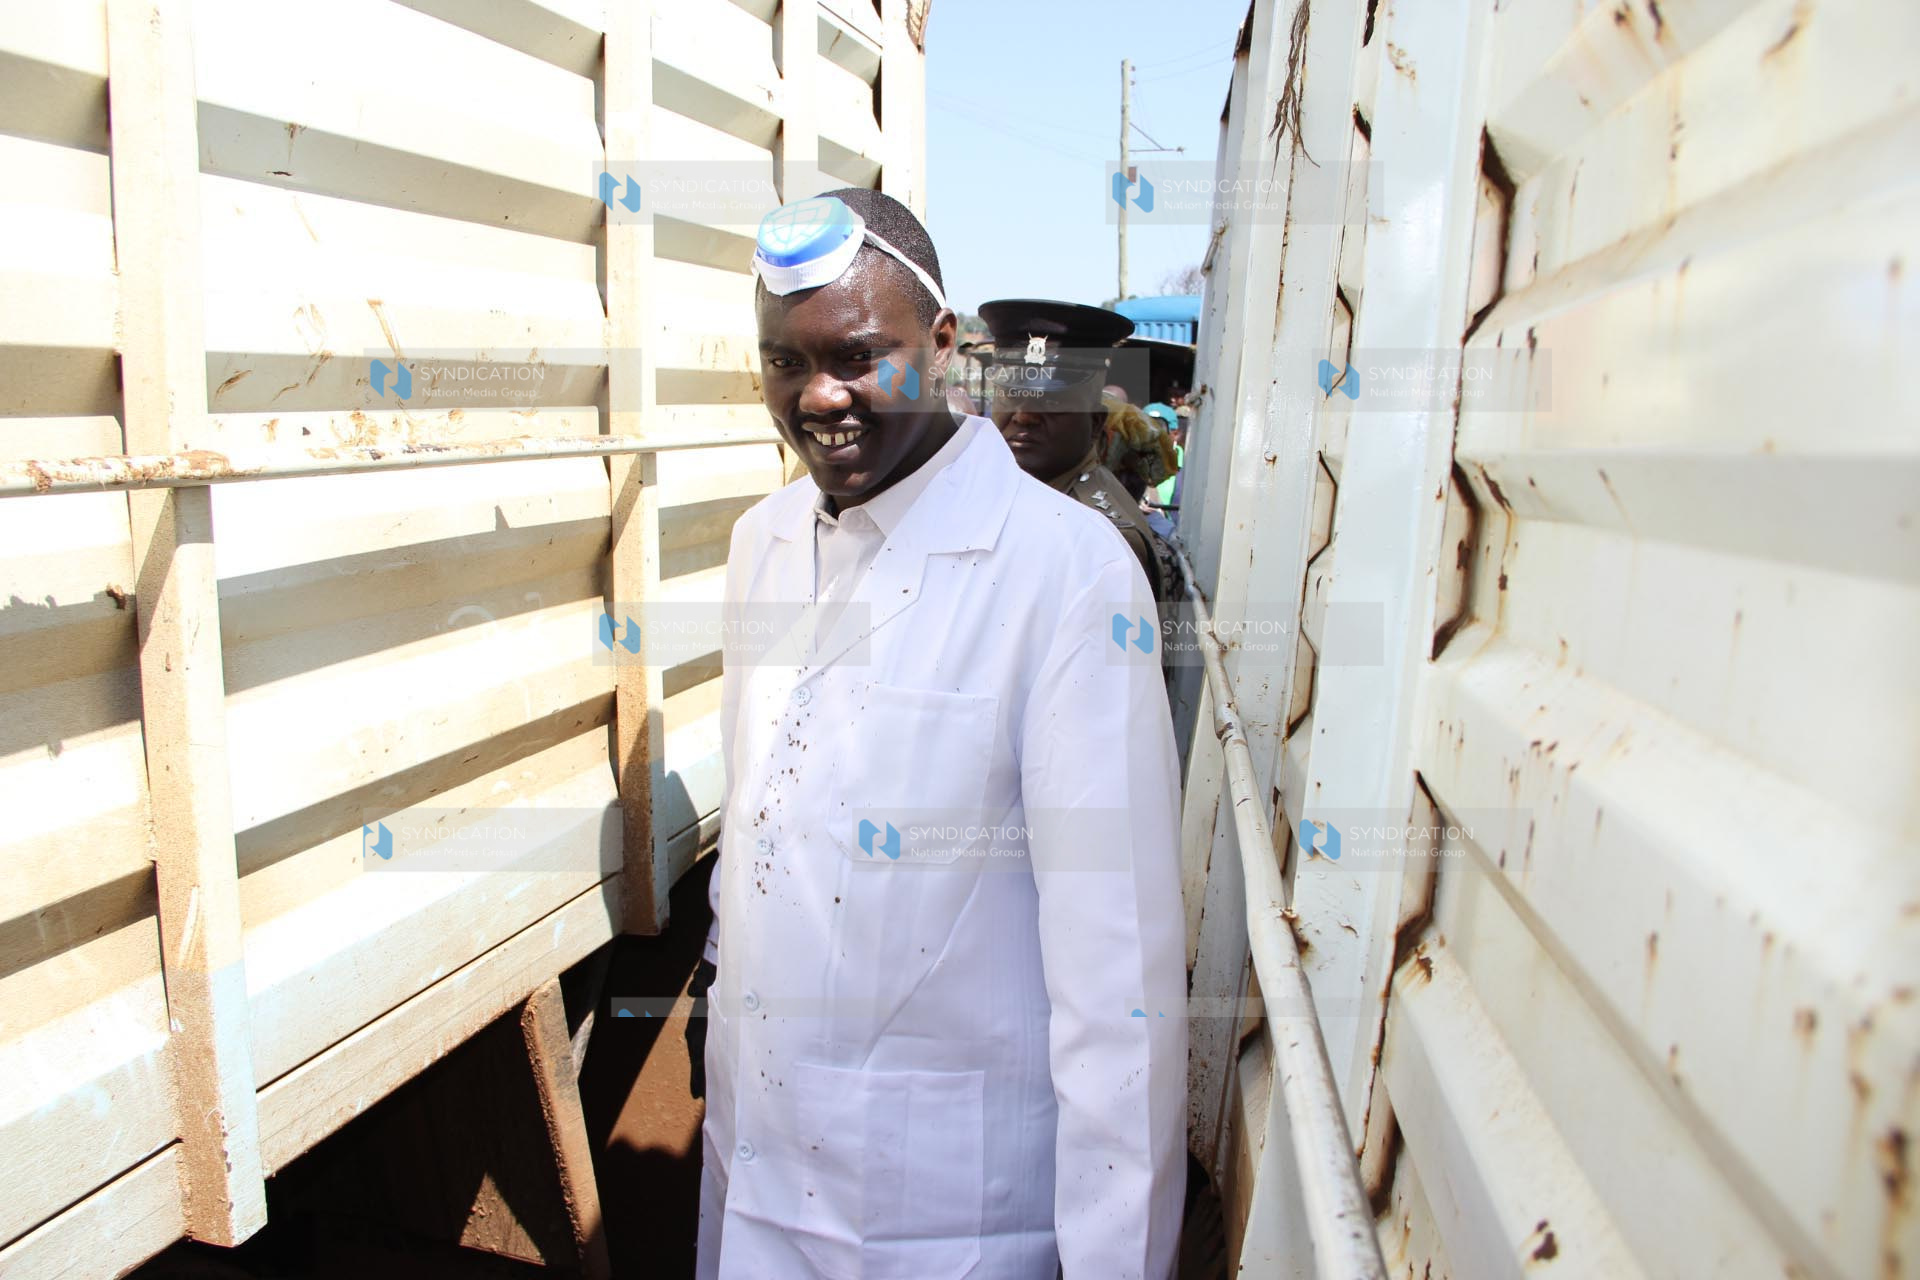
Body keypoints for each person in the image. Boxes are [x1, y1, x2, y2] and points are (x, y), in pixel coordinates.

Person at [697, 190, 1187, 1280]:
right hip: (764, 1182)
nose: (819, 395)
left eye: (859, 355)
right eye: (785, 361)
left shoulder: (1065, 570)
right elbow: (757, 836)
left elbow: (1121, 992)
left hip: (953, 1219)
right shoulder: (762, 544)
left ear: (944, 344)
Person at [978, 298, 1173, 605]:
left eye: (1052, 401)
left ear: (1095, 423)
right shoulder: (1017, 491)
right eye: (1012, 395)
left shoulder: (1103, 538)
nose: (1024, 415)